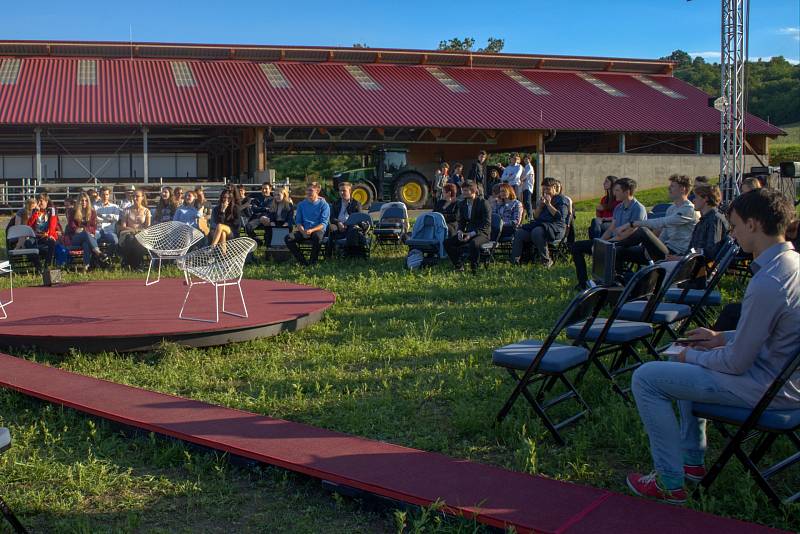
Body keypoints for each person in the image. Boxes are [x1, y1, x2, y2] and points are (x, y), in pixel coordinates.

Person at [627, 188, 800, 505]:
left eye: (734, 225)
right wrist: (722, 338)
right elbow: (777, 333)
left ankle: (669, 481)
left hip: (766, 389)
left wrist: (687, 355)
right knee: (695, 358)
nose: (731, 233)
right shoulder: (792, 266)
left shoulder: (769, 281)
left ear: (753, 224)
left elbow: (736, 364)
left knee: (646, 378)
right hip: (784, 380)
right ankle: (692, 461)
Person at [570, 177, 647, 290]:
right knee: (576, 247)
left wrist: (607, 244)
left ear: (627, 192)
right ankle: (583, 283)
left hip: (629, 244)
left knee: (609, 249)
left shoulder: (638, 209)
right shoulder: (619, 207)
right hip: (614, 241)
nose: (614, 193)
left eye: (617, 190)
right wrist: (599, 242)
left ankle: (614, 282)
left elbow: (630, 233)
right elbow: (611, 228)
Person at [614, 174, 697, 265]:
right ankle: (618, 277)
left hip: (675, 254)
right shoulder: (672, 208)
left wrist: (632, 224)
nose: (669, 188)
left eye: (672, 186)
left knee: (643, 231)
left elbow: (661, 223)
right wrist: (650, 249)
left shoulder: (688, 209)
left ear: (682, 189)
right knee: (618, 252)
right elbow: (664, 233)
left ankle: (613, 244)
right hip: (665, 249)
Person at [510, 177, 569, 267]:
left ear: (554, 187)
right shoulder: (543, 199)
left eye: (548, 189)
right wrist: (540, 206)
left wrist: (549, 205)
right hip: (541, 226)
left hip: (556, 228)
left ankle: (546, 261)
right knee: (520, 233)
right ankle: (516, 261)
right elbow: (536, 217)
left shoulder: (561, 199)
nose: (546, 191)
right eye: (544, 189)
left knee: (537, 231)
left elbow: (559, 217)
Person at [665, 184, 729, 262]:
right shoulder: (704, 220)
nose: (693, 200)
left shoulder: (715, 219)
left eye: (696, 197)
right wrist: (680, 257)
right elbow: (693, 249)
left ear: (705, 199)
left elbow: (711, 253)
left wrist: (680, 259)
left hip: (699, 267)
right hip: (691, 262)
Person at [443, 181, 491, 274]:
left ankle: (474, 269)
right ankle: (459, 266)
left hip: (482, 233)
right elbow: (462, 221)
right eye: (462, 190)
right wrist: (460, 231)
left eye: (465, 190)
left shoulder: (483, 203)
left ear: (473, 191)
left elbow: (486, 224)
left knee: (473, 243)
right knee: (447, 242)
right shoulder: (463, 204)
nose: (462, 193)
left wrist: (472, 234)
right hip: (468, 232)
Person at [284, 182, 330, 266]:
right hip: (304, 230)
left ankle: (313, 262)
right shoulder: (301, 205)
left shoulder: (324, 205)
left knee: (317, 237)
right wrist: (302, 231)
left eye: (311, 190)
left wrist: (311, 230)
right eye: (307, 190)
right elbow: (298, 221)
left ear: (317, 191)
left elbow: (323, 223)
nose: (308, 193)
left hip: (317, 230)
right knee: (288, 238)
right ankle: (303, 262)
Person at [65, 192, 109, 271]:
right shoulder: (72, 212)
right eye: (82, 200)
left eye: (86, 201)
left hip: (87, 237)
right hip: (75, 238)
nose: (84, 202)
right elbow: (72, 227)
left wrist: (83, 230)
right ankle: (98, 252)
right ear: (78, 202)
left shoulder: (92, 212)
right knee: (85, 234)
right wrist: (83, 230)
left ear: (88, 202)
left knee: (86, 243)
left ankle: (86, 266)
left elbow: (94, 227)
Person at [118, 188, 151, 269]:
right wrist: (133, 230)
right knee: (130, 238)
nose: (135, 198)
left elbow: (147, 227)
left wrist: (137, 231)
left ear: (142, 197)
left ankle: (133, 264)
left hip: (142, 234)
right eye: (133, 196)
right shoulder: (127, 210)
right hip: (127, 233)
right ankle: (133, 264)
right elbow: (123, 226)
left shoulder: (146, 211)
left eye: (137, 196)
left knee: (137, 239)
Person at [327, 182, 363, 255]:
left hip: (351, 226)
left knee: (354, 229)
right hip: (338, 226)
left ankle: (348, 253)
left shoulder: (356, 204)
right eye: (340, 191)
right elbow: (332, 217)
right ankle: (330, 254)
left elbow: (358, 218)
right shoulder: (336, 203)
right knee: (330, 227)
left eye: (344, 190)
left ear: (350, 191)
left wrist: (347, 224)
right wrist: (338, 222)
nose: (341, 192)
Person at [26, 193, 59, 270]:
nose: (39, 203)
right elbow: (29, 225)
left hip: (47, 235)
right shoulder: (35, 211)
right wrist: (35, 213)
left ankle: (47, 265)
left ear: (46, 201)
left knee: (51, 242)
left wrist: (50, 234)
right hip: (36, 236)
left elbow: (53, 224)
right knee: (27, 243)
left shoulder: (51, 210)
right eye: (38, 201)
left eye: (41, 201)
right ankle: (38, 266)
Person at [260, 187, 294, 251]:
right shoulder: (273, 204)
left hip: (285, 223)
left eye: (278, 195)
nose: (276, 197)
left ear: (284, 195)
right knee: (268, 228)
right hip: (276, 222)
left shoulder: (288, 205)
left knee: (282, 229)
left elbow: (290, 216)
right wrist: (272, 221)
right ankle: (269, 247)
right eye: (275, 195)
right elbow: (271, 214)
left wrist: (287, 223)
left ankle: (282, 247)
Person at [245, 182, 274, 246]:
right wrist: (265, 209)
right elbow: (254, 209)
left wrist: (260, 208)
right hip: (257, 219)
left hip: (267, 219)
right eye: (262, 189)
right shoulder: (257, 199)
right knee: (248, 226)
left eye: (266, 189)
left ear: (270, 189)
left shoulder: (273, 199)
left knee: (269, 229)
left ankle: (268, 249)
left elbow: (272, 210)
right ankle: (258, 241)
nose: (264, 190)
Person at [94, 186, 122, 251]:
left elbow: (116, 219)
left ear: (109, 195)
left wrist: (100, 216)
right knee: (91, 240)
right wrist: (109, 218)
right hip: (97, 230)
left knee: (115, 241)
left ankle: (108, 258)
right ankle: (96, 258)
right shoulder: (94, 206)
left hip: (110, 231)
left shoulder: (115, 207)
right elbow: (95, 219)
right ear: (100, 195)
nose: (105, 196)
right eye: (103, 194)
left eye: (107, 194)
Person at [520, 154, 535, 221]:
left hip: (528, 187)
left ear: (529, 159)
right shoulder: (526, 166)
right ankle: (528, 216)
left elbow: (525, 175)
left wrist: (519, 180)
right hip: (525, 187)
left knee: (528, 202)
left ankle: (530, 217)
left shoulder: (529, 167)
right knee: (526, 202)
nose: (525, 160)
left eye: (527, 159)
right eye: (525, 159)